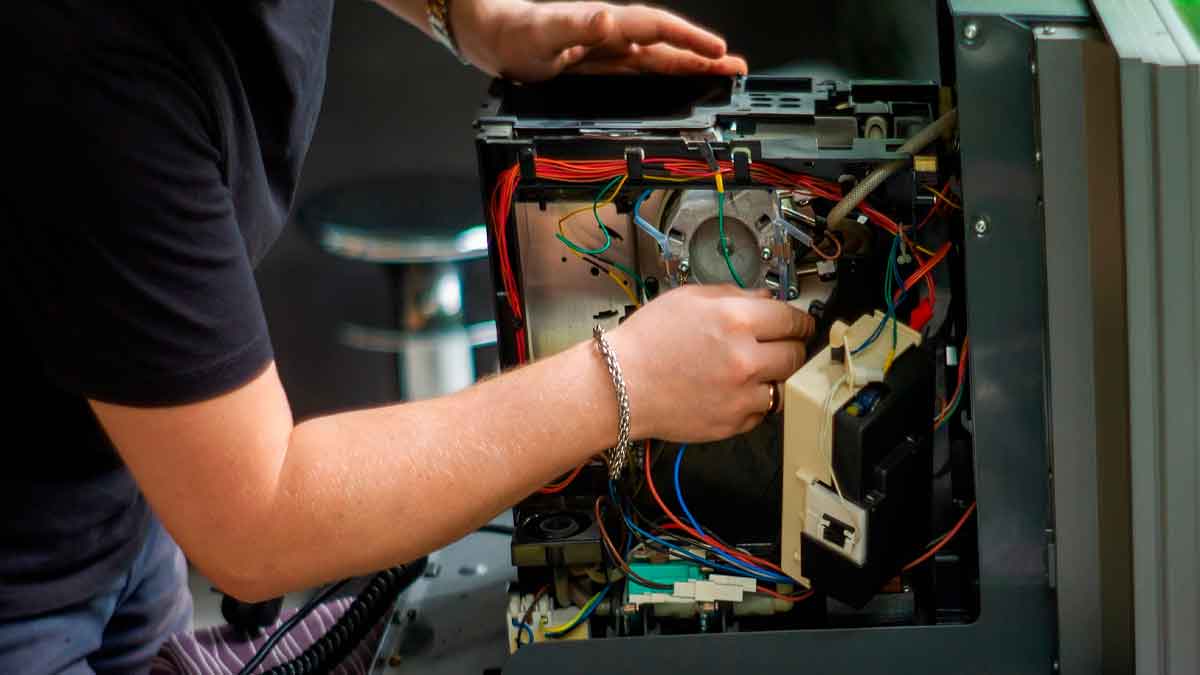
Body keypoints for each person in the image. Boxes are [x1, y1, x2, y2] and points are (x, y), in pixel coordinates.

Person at [1, 1, 813, 672]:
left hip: (119, 481)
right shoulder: (92, 64)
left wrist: (466, 16)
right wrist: (621, 381)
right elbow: (256, 519)